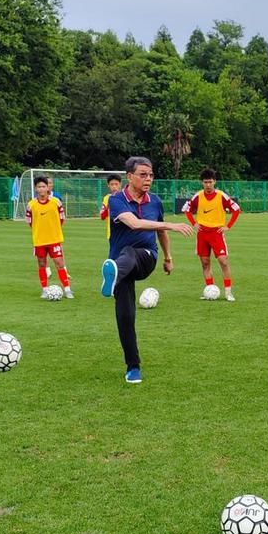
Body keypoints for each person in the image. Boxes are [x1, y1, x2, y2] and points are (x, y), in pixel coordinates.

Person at [100, 157, 193, 384]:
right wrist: (172, 224)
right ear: (129, 176)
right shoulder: (116, 200)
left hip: (146, 259)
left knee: (132, 252)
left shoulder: (155, 202)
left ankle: (113, 273)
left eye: (150, 175)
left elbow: (160, 232)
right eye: (143, 174)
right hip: (121, 264)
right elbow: (134, 223)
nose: (148, 179)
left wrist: (168, 258)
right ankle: (133, 367)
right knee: (125, 317)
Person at [182, 168, 241, 301]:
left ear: (214, 182)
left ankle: (228, 292)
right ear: (202, 183)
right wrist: (194, 223)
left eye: (210, 182)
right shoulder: (198, 196)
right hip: (202, 233)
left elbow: (236, 209)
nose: (208, 185)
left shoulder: (221, 195)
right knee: (205, 262)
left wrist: (228, 226)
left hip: (216, 233)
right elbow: (187, 209)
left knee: (223, 260)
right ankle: (209, 290)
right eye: (205, 182)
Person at [26, 176, 73, 299]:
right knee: (42, 264)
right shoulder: (31, 205)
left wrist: (54, 229)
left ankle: (67, 290)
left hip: (54, 239)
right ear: (36, 189)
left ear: (48, 188)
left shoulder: (56, 202)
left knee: (59, 263)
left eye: (44, 186)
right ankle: (45, 290)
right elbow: (29, 221)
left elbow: (62, 218)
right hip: (39, 240)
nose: (41, 189)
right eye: (39, 187)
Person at [100, 174, 122, 241]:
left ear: (120, 184)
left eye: (116, 184)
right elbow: (102, 217)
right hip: (111, 233)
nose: (114, 186)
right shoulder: (106, 198)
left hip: (124, 233)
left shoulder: (125, 197)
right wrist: (108, 207)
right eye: (112, 184)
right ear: (108, 185)